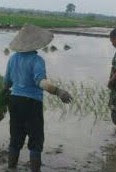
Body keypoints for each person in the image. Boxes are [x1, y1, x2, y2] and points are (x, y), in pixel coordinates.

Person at [3, 24, 72, 172]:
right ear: (36, 43)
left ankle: (11, 168)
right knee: (36, 139)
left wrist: (2, 99)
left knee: (15, 137)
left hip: (14, 102)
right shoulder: (37, 60)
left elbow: (6, 83)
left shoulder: (13, 59)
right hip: (31, 103)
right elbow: (40, 82)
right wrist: (58, 91)